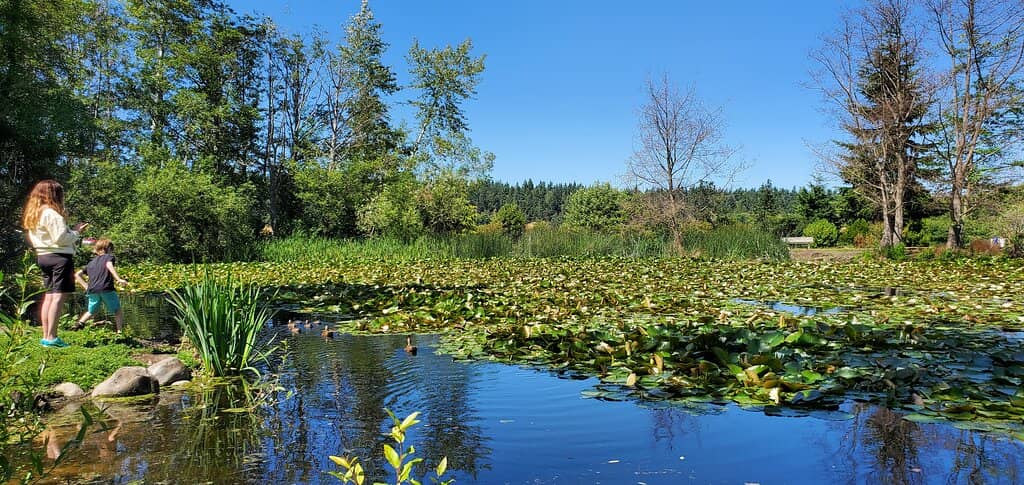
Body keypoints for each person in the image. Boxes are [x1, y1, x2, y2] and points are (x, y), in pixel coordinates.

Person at [22, 180, 87, 348]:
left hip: (43, 256)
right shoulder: (52, 214)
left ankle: (46, 335)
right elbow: (61, 238)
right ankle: (52, 337)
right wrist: (77, 232)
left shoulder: (35, 214)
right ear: (54, 195)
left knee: (49, 297)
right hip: (59, 257)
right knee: (58, 297)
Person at [74, 239, 128, 332]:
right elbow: (109, 265)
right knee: (117, 311)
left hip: (92, 290)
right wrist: (118, 279)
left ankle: (79, 323)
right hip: (106, 288)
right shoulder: (109, 257)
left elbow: (77, 275)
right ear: (109, 248)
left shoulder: (91, 262)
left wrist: (86, 287)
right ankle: (120, 332)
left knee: (91, 311)